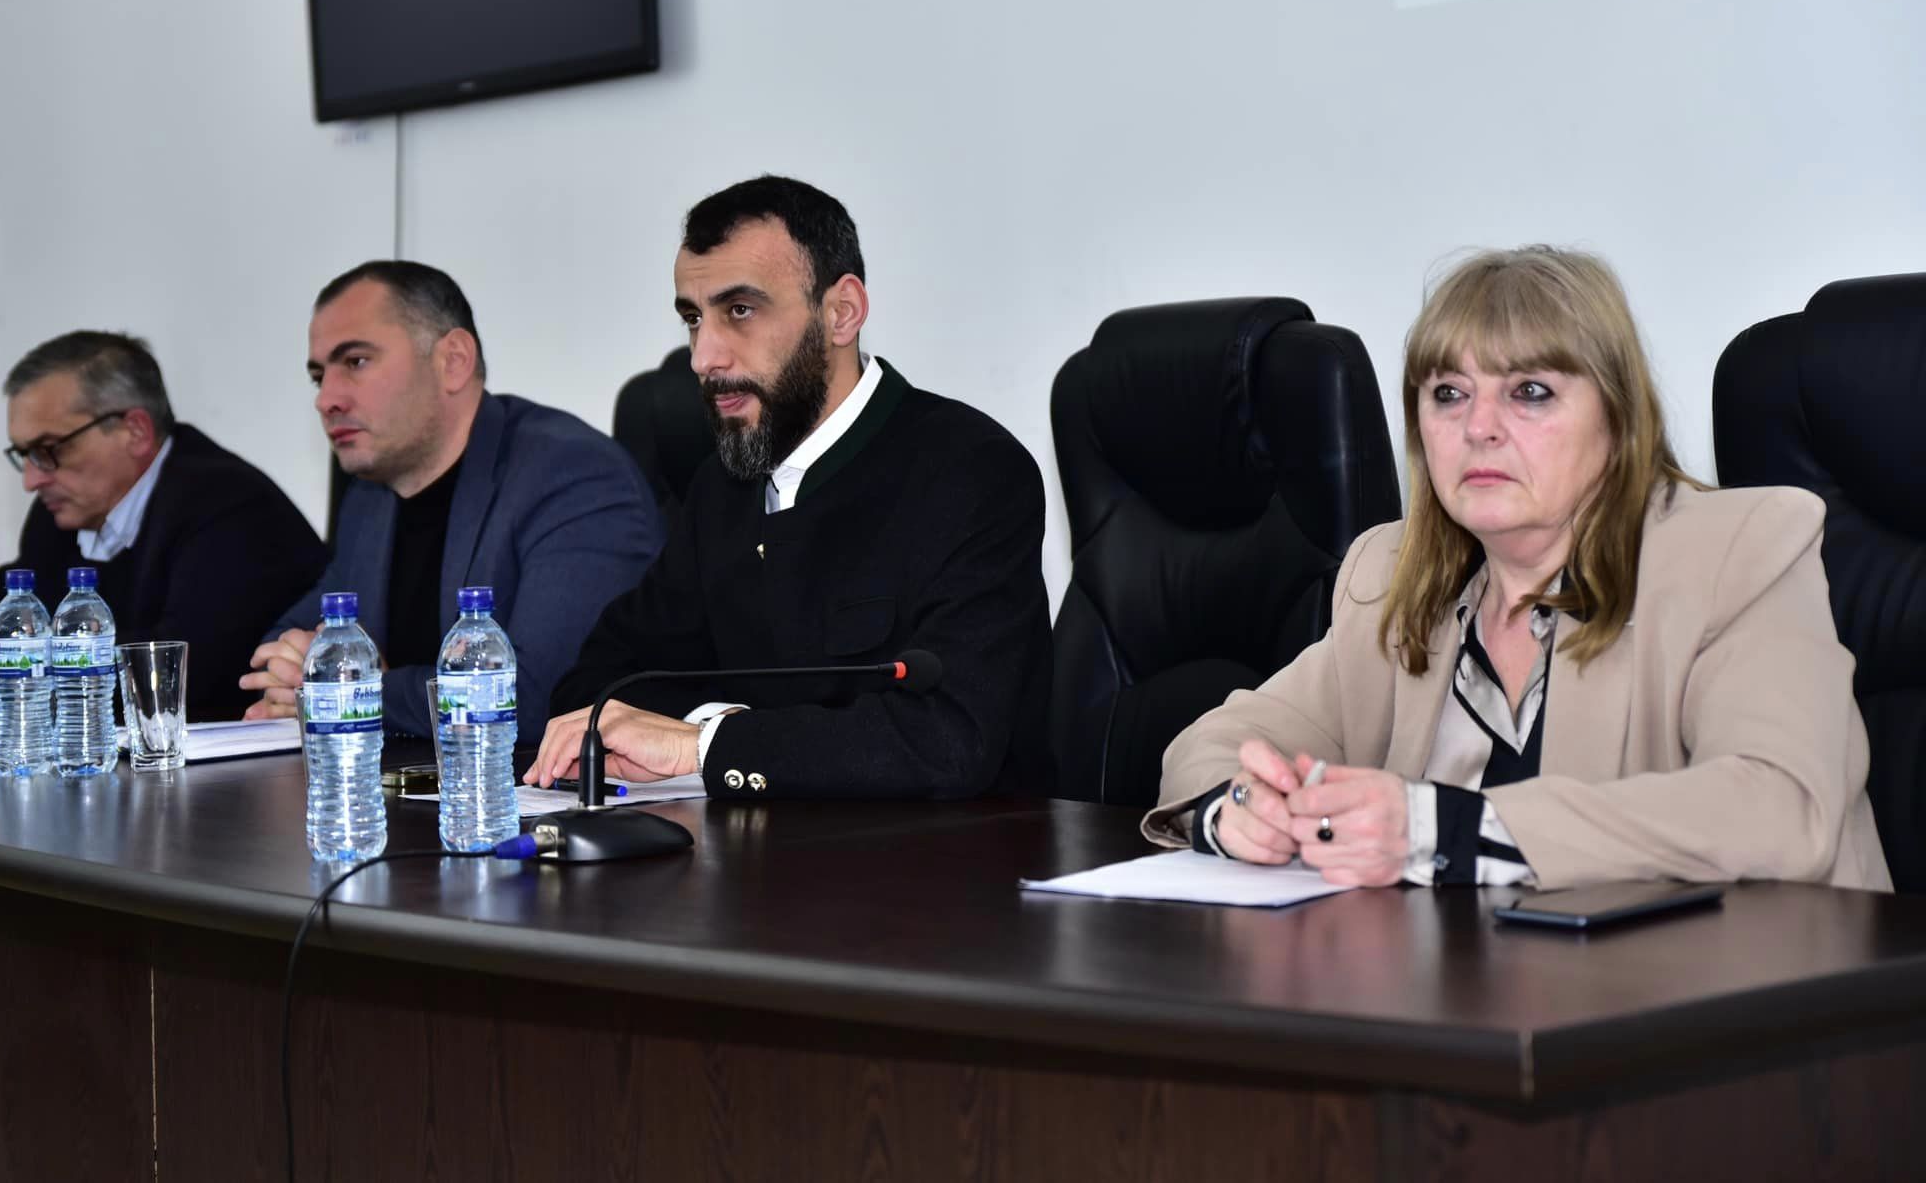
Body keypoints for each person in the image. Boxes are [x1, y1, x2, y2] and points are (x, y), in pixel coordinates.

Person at [1146, 246, 1890, 892]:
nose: (1478, 427)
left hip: (1749, 997)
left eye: (1530, 392)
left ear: (1619, 419)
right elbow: (1214, 744)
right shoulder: (1392, 577)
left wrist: (1442, 830)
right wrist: (1240, 808)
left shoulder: (1737, 551)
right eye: (1448, 394)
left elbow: (1779, 807)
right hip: (1472, 994)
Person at [525, 176, 1053, 799]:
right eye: (693, 318)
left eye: (739, 311)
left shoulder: (972, 471)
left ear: (841, 312)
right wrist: (707, 729)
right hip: (744, 851)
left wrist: (702, 745)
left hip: (944, 853)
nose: (703, 358)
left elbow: (949, 739)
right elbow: (595, 688)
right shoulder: (721, 487)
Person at [240, 261, 661, 736]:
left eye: (355, 362)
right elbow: (286, 644)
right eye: (319, 377)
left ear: (453, 361)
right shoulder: (369, 499)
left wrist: (356, 690)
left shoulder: (572, 475)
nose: (326, 400)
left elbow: (539, 699)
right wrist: (295, 668)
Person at [0, 332, 324, 721]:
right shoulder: (65, 509)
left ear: (135, 431)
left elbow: (186, 671)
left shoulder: (231, 505)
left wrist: (15, 671)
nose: (32, 480)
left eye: (48, 449)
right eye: (25, 455)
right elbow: (11, 601)